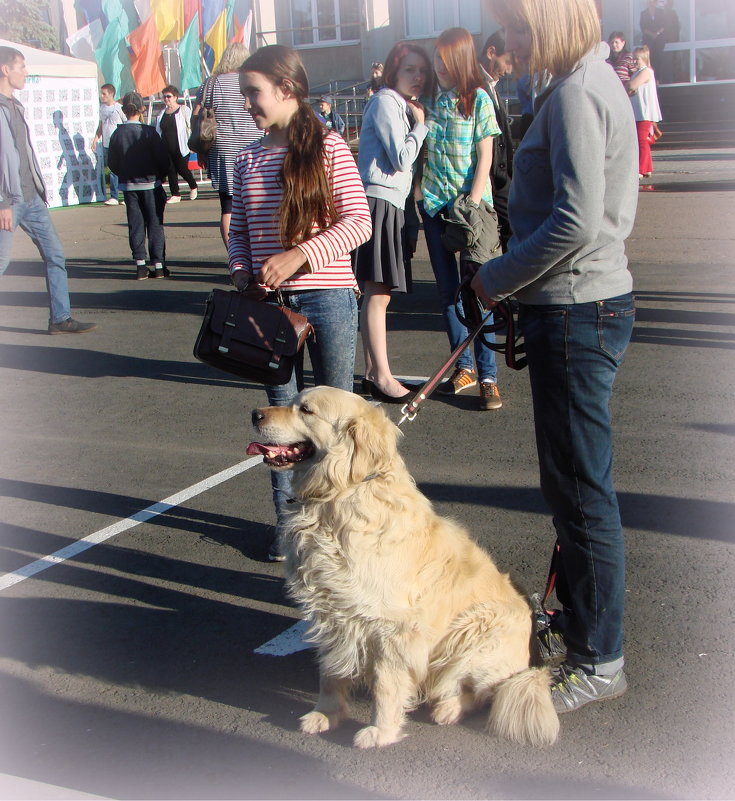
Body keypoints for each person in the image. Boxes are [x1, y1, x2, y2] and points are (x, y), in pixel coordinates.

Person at [473, 0, 638, 712]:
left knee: (579, 494)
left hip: (575, 307)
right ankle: (578, 626)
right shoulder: (582, 82)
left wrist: (496, 275)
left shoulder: (576, 92)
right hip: (575, 303)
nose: (508, 44)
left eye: (515, 28)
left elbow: (572, 220)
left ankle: (599, 658)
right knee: (573, 488)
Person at [230, 45, 371, 560]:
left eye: (254, 92)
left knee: (338, 420)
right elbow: (239, 232)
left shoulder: (330, 147)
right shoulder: (246, 156)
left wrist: (297, 256)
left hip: (328, 296)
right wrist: (243, 271)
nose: (248, 102)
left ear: (286, 89)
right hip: (271, 310)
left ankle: (349, 526)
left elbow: (359, 222)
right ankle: (293, 532)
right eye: (246, 93)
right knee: (278, 424)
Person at [419, 27, 503, 412]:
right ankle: (462, 367)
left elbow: (484, 154)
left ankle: (488, 375)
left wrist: (472, 199)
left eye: (444, 59)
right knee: (447, 293)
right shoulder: (431, 101)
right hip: (436, 207)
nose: (438, 66)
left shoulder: (479, 99)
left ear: (461, 60)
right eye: (435, 58)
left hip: (470, 211)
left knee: (477, 292)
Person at [0, 46, 96, 335]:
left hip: (31, 199)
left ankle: (60, 318)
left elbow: (22, 153)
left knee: (55, 255)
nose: (26, 72)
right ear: (5, 69)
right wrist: (3, 200)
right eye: (21, 66)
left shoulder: (15, 105)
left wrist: (39, 189)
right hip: (8, 202)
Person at [353, 41, 429, 403]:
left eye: (421, 71)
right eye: (409, 69)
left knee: (376, 291)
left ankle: (373, 373)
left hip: (388, 201)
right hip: (379, 200)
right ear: (394, 70)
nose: (417, 77)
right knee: (378, 292)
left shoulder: (397, 105)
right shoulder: (386, 101)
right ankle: (381, 376)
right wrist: (422, 126)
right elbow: (401, 158)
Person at [194, 43, 263, 246]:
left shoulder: (211, 83)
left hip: (223, 149)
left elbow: (197, 115)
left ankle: (234, 257)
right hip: (255, 143)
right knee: (257, 201)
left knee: (228, 206)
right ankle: (257, 250)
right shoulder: (252, 82)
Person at [108, 92, 170, 280]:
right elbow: (162, 158)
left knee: (135, 224)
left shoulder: (117, 133)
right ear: (142, 109)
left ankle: (140, 265)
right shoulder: (149, 132)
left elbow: (112, 162)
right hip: (151, 183)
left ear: (124, 110)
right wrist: (161, 175)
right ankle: (158, 265)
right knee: (155, 224)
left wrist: (124, 174)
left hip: (129, 186)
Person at [479, 30, 515, 251]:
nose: (509, 69)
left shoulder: (490, 84)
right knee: (512, 227)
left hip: (501, 177)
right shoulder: (476, 85)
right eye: (508, 61)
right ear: (491, 52)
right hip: (491, 178)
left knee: (513, 225)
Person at [155, 85, 197, 204]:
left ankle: (193, 186)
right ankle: (175, 194)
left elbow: (191, 126)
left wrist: (193, 143)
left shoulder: (183, 110)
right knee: (170, 170)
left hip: (182, 145)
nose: (167, 99)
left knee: (182, 169)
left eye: (169, 96)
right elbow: (158, 130)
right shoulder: (161, 113)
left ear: (175, 97)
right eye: (164, 97)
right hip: (166, 146)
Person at [628, 45, 663, 179]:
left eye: (637, 59)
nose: (635, 61)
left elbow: (631, 86)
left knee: (641, 140)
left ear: (644, 58)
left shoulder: (646, 71)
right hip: (639, 111)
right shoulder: (638, 72)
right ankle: (647, 167)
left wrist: (627, 86)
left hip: (644, 112)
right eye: (634, 59)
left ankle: (641, 169)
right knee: (643, 140)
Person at [92, 83, 125, 206]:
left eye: (104, 94)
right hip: (107, 143)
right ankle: (114, 196)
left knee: (123, 169)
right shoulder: (102, 108)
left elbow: (126, 123)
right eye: (101, 93)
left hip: (119, 143)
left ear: (111, 94)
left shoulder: (119, 108)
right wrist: (95, 139)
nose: (102, 96)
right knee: (112, 169)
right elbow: (101, 126)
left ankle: (126, 195)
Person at [640, 0, 667, 74]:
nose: (653, 2)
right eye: (652, 1)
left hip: (659, 40)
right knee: (649, 58)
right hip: (648, 40)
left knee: (658, 58)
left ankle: (657, 78)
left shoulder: (660, 12)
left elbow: (664, 25)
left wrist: (657, 33)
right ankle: (649, 76)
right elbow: (643, 27)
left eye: (655, 1)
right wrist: (651, 34)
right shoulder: (643, 13)